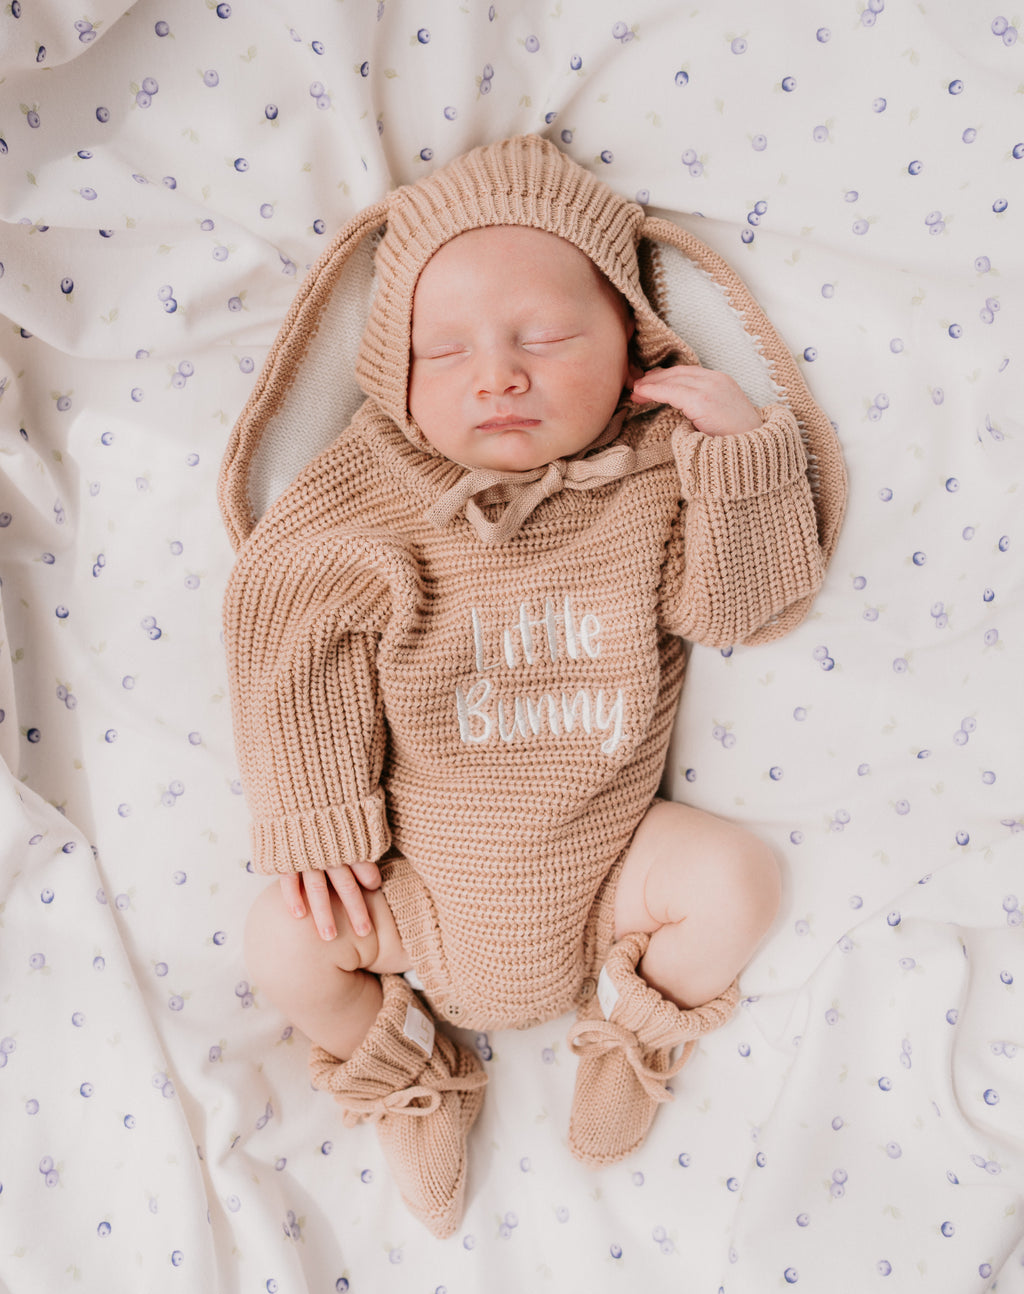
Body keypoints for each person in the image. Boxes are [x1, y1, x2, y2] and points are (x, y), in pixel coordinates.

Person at [220, 134, 845, 1237]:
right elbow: (286, 620)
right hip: (413, 887)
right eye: (444, 350)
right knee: (283, 942)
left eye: (547, 338)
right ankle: (413, 1071)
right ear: (391, 369)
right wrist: (316, 811)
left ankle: (635, 1027)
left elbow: (740, 611)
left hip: (613, 867)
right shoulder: (373, 489)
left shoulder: (654, 466)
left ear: (633, 344)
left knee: (739, 881)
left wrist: (740, 456)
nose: (498, 375)